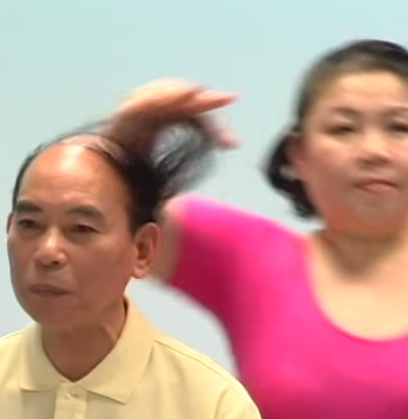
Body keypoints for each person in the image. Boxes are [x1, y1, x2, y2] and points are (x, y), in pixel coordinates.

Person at [106, 39, 408, 419]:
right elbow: (110, 224)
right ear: (298, 155)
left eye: (400, 127)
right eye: (344, 129)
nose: (374, 151)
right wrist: (128, 140)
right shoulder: (252, 258)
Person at [0, 119, 261, 418]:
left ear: (142, 250)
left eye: (81, 229)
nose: (48, 252)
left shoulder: (212, 406)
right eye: (30, 224)